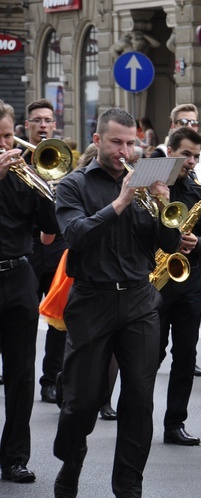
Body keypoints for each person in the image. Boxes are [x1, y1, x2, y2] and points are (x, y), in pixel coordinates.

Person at [53, 108, 180, 497]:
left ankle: (128, 486)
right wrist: (121, 201)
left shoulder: (146, 182)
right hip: (93, 299)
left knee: (140, 399)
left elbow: (169, 246)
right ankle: (71, 460)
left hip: (140, 299)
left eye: (131, 143)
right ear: (97, 140)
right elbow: (75, 234)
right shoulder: (73, 185)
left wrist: (165, 210)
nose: (125, 150)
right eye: (116, 142)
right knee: (81, 401)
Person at [0, 99, 58, 484]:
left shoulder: (25, 175)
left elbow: (48, 233)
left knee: (21, 375)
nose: (7, 145)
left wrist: (47, 186)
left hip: (19, 278)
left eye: (7, 136)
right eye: (0, 138)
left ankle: (15, 457)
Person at [158, 126, 201, 446]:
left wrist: (200, 241)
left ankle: (174, 423)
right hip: (152, 282)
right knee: (148, 355)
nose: (192, 162)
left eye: (196, 156)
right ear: (170, 152)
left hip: (188, 281)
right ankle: (133, 414)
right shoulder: (149, 186)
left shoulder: (199, 192)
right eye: (186, 155)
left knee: (185, 354)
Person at [20, 99, 69, 407]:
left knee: (58, 319)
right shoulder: (15, 159)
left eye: (47, 120)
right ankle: (17, 371)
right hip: (27, 247)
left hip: (57, 248)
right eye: (36, 120)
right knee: (21, 317)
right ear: (27, 126)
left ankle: (50, 380)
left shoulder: (62, 158)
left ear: (54, 125)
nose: (41, 125)